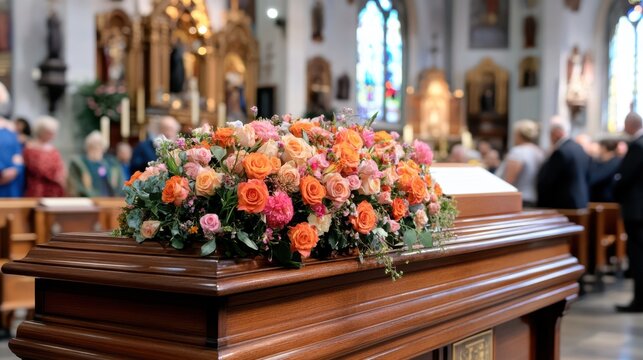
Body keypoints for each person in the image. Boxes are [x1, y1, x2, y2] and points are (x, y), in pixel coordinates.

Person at [613, 112, 643, 312]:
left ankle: (639, 300)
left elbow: (625, 176)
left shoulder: (638, 145)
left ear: (631, 124)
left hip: (637, 210)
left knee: (638, 255)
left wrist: (616, 188)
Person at [537, 116, 590, 209]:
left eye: (551, 133)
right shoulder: (579, 148)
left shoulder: (561, 152)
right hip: (581, 201)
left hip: (565, 204)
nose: (550, 137)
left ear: (558, 133)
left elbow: (547, 180)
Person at [496, 119, 544, 207]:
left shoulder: (518, 152)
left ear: (518, 135)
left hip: (519, 198)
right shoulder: (539, 152)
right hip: (533, 198)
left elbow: (509, 180)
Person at [68, 131, 124, 197]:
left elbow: (119, 186)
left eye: (99, 145)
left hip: (110, 202)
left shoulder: (112, 164)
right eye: (92, 146)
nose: (96, 148)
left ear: (103, 148)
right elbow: (76, 186)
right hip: (88, 202)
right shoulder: (78, 164)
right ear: (87, 147)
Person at [23, 116, 65, 197]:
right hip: (38, 189)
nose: (53, 136)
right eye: (50, 133)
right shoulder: (31, 148)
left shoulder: (53, 149)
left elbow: (60, 165)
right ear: (41, 132)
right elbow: (39, 169)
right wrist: (56, 176)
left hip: (54, 189)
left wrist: (62, 175)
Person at [0, 83, 24, 197]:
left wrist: (15, 170)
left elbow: (18, 155)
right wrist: (2, 171)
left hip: (11, 186)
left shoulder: (9, 128)